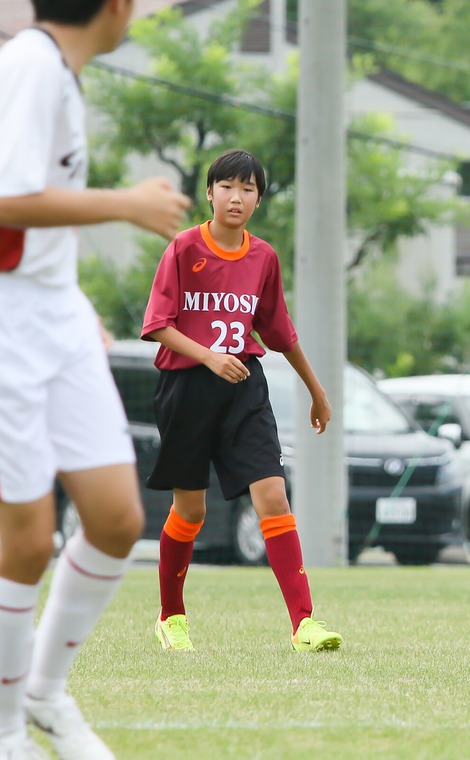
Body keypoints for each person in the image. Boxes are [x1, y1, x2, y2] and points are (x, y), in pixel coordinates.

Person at [0, 0, 192, 757]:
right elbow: (7, 200)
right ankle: (6, 729)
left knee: (116, 519)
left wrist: (72, 304)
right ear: (114, 8)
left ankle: (44, 696)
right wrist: (127, 204)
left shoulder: (59, 72)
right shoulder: (29, 65)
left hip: (55, 315)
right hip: (11, 321)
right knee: (24, 542)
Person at [141, 148, 342, 654]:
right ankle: (171, 617)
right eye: (227, 186)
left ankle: (304, 624)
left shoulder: (263, 257)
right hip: (186, 388)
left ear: (257, 200)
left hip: (244, 387)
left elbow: (280, 333)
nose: (236, 197)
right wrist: (208, 356)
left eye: (248, 189)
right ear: (210, 193)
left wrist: (317, 390)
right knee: (190, 511)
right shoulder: (184, 248)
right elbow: (157, 326)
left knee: (273, 495)